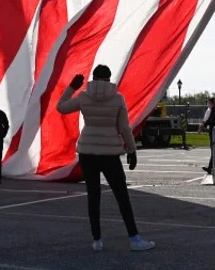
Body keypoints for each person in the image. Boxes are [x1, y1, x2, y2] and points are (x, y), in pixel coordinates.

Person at [57, 65, 156, 252]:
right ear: (109, 79)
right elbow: (124, 128)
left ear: (93, 78)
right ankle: (134, 238)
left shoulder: (83, 96)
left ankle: (97, 240)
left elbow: (60, 108)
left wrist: (71, 87)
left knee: (93, 197)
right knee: (121, 196)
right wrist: (131, 150)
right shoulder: (117, 98)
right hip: (110, 153)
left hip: (87, 151)